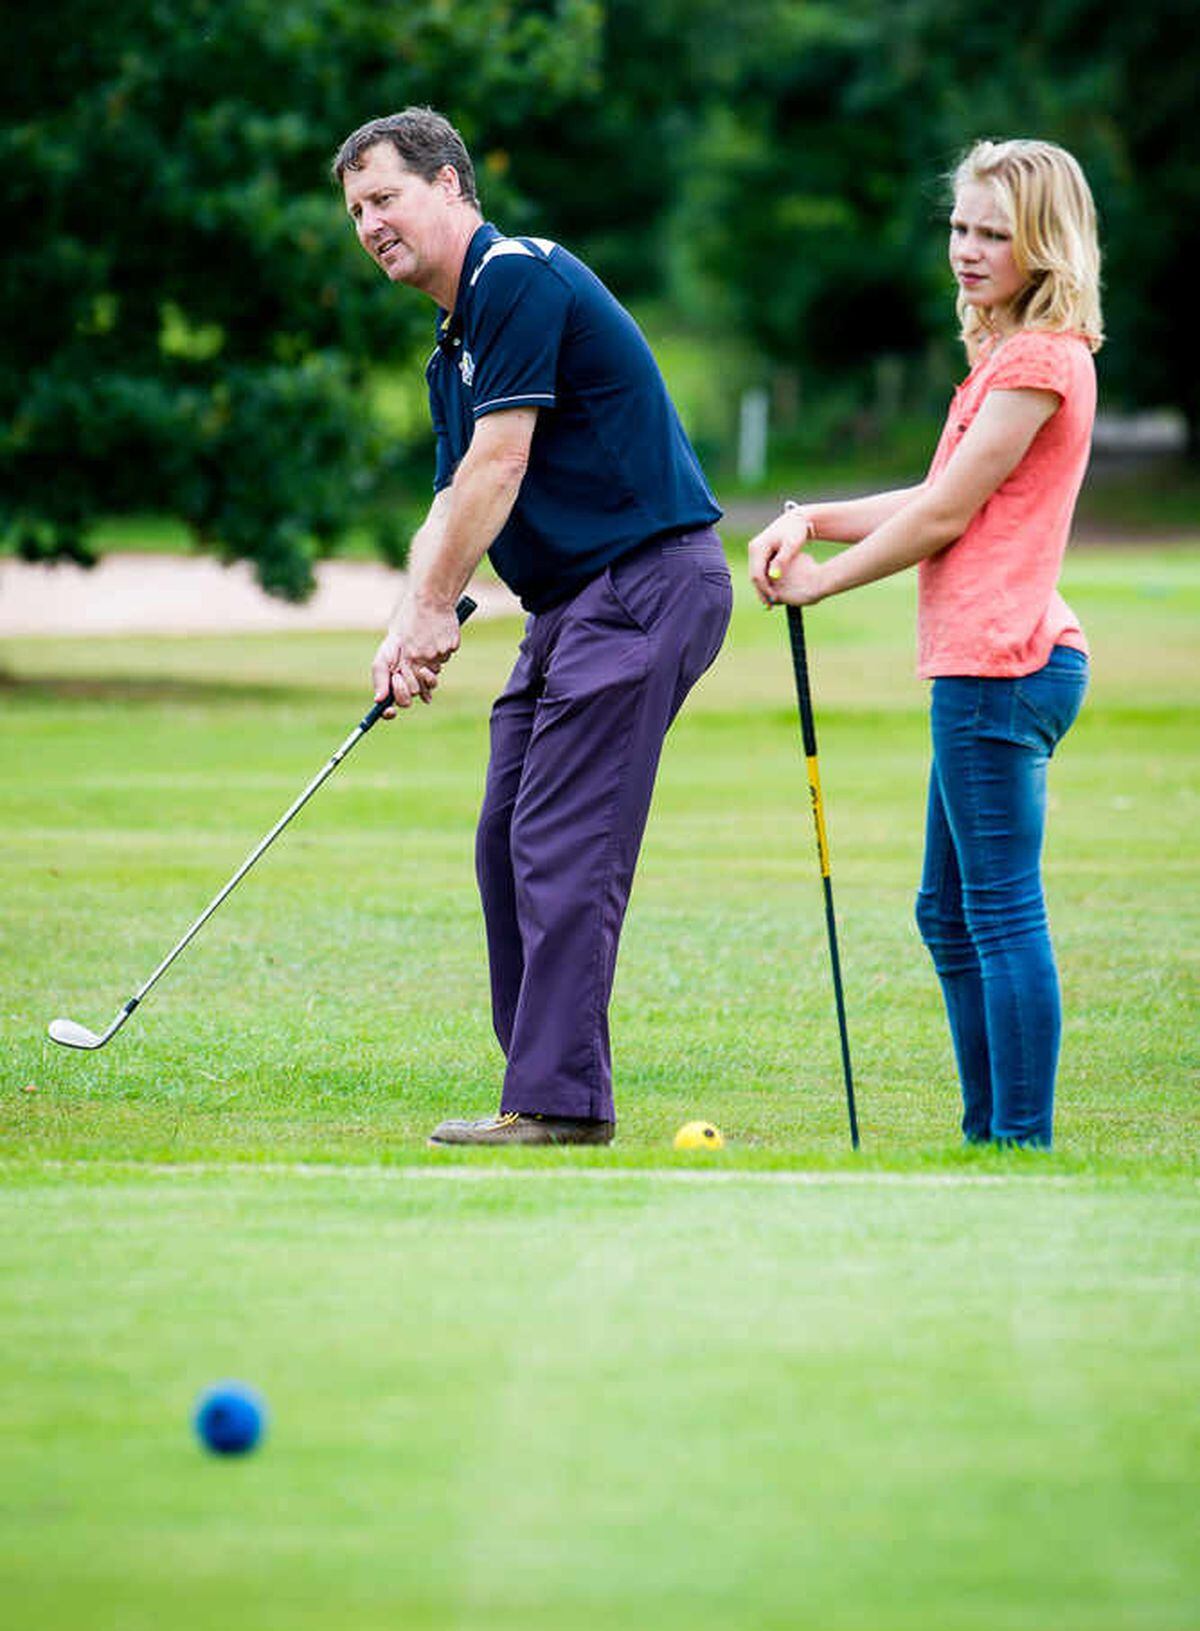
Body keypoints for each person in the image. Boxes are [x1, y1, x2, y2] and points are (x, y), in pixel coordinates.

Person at [333, 107, 732, 1146]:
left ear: (452, 183)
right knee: (506, 837)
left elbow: (501, 464)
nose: (371, 223)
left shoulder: (514, 275)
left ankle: (558, 1102)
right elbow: (452, 504)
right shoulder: (450, 348)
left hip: (645, 582)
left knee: (562, 836)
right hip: (572, 606)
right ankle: (542, 1083)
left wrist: (431, 610)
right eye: (356, 211)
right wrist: (406, 626)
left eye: (386, 196)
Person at [749, 139, 1102, 1149]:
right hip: (985, 660)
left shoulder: (1037, 360)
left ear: (1045, 244)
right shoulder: (1003, 358)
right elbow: (935, 497)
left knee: (994, 912)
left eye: (996, 232)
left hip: (1002, 664)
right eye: (959, 226)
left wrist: (821, 581)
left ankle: (1016, 1142)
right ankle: (990, 1133)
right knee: (948, 915)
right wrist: (809, 517)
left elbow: (946, 515)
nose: (968, 249)